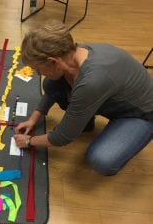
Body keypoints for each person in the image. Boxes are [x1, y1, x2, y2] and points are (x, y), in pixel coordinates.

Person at [13, 19, 153, 176]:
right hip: (113, 97)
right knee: (51, 83)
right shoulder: (73, 53)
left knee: (102, 160)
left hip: (142, 114)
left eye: (38, 69)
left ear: (53, 61)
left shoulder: (92, 81)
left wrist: (28, 141)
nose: (38, 73)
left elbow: (63, 137)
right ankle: (85, 122)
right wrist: (33, 118)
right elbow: (53, 89)